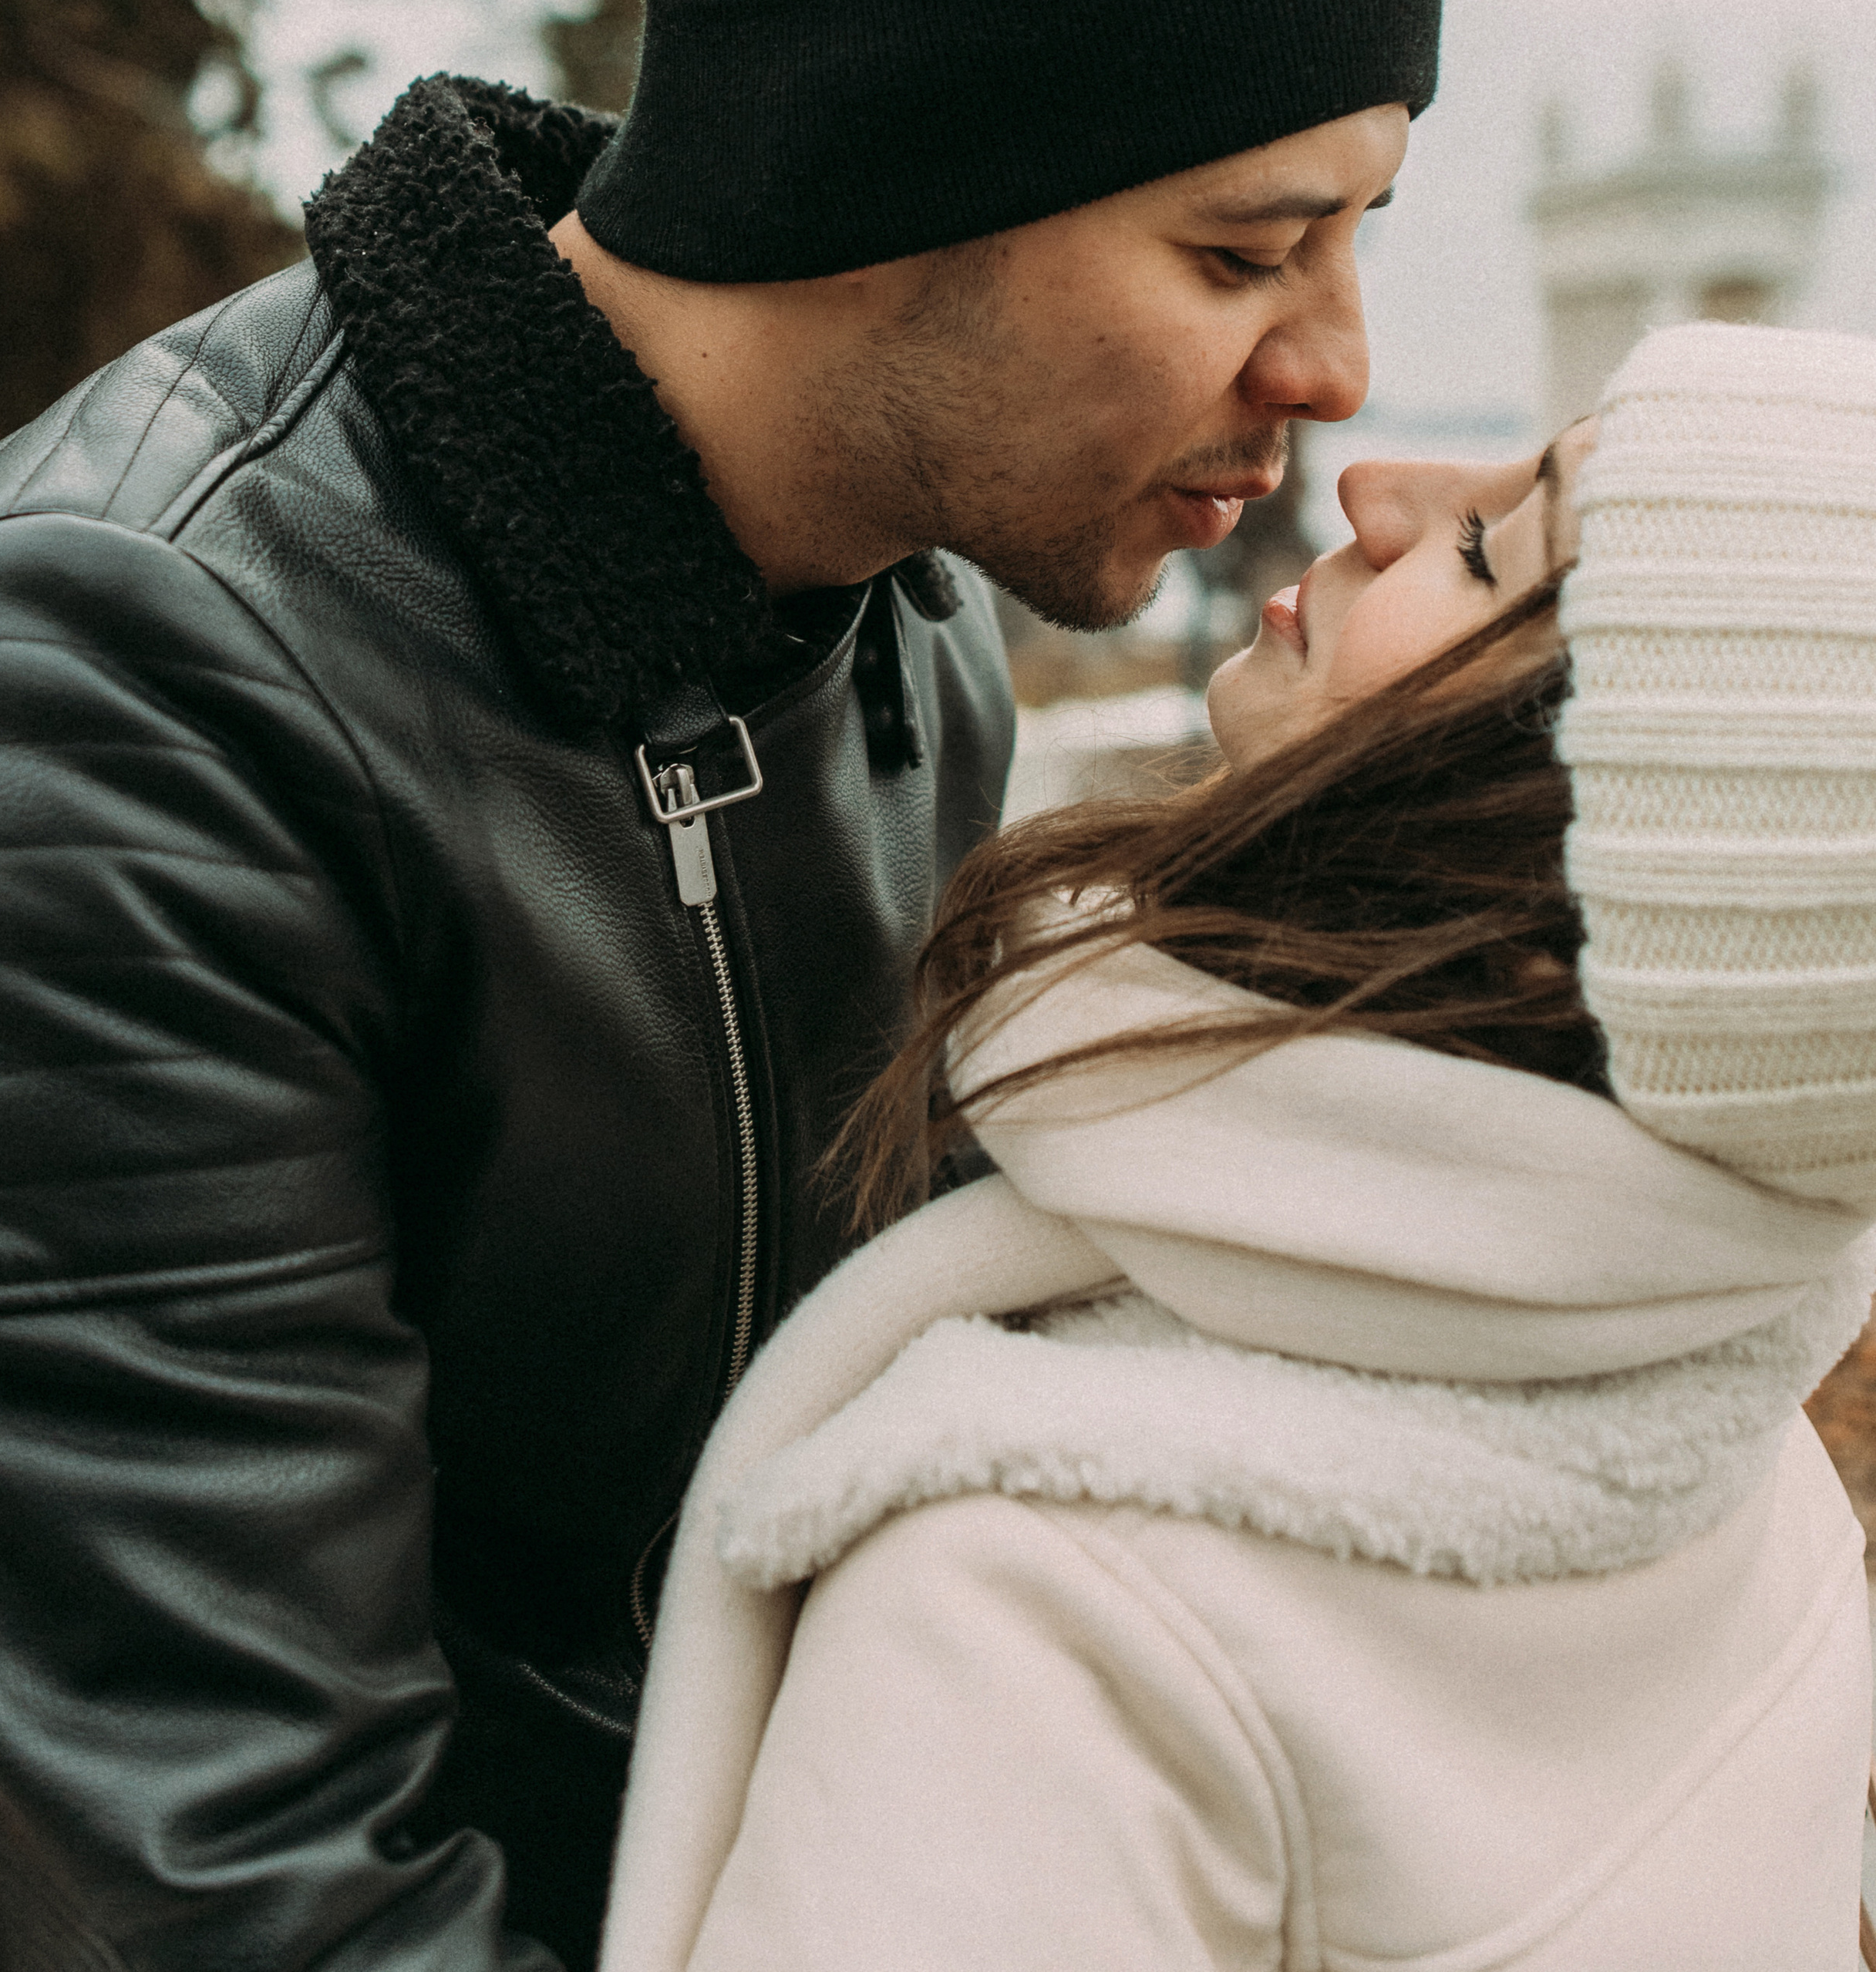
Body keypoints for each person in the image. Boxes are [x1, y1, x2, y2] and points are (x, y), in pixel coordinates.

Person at [0, 0, 1439, 1967]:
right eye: (1246, 256)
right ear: (890, 186)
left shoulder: (900, 624)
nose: (1341, 367)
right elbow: (229, 1891)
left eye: (1357, 237)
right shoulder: (123, 686)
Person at [591, 319, 1876, 1972]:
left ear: (1551, 902)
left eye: (1487, 546)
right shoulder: (1748, 1478)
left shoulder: (1053, 1615)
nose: (1379, 480)